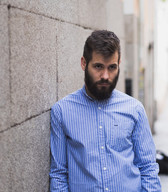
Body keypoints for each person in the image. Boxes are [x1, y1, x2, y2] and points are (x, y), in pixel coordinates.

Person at [49, 30, 161, 192]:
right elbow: (59, 174)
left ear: (119, 65)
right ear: (83, 63)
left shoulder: (134, 109)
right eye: (98, 67)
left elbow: (148, 167)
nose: (106, 76)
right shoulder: (62, 111)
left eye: (112, 67)